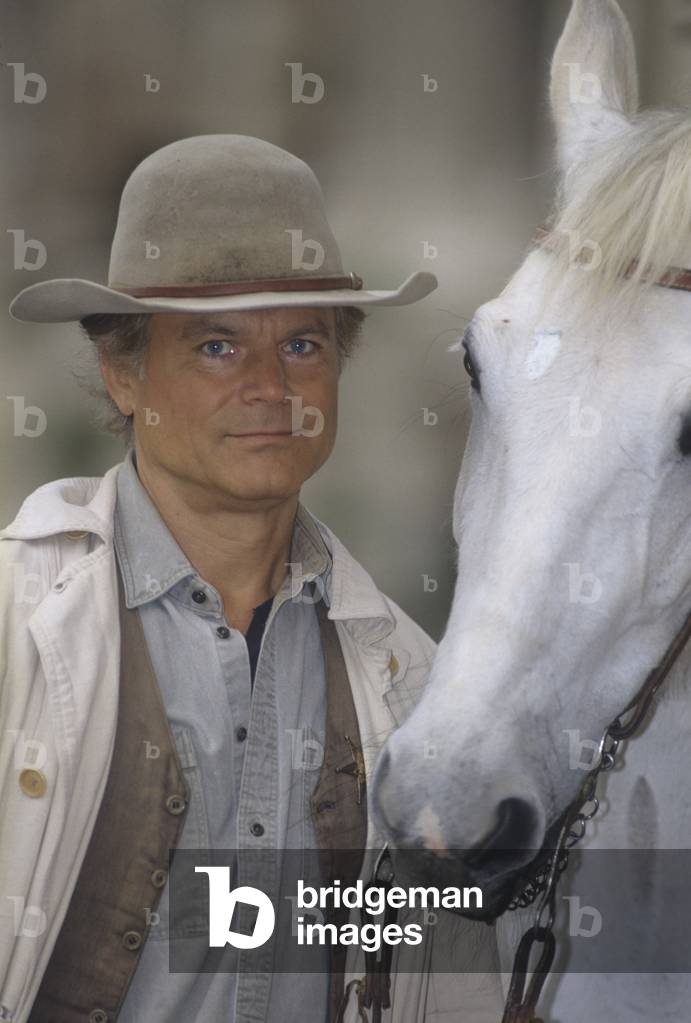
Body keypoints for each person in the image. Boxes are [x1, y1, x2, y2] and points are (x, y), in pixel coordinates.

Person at [1, 134, 503, 1022]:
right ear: (123, 374)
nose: (272, 385)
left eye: (303, 342)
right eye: (217, 347)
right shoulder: (15, 625)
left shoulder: (408, 678)